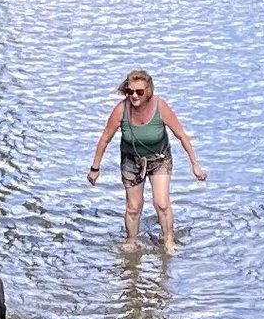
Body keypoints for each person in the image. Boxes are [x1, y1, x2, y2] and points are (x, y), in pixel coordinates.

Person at [87, 69, 206, 252]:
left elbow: (181, 135)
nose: (134, 96)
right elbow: (105, 139)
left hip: (159, 159)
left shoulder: (160, 106)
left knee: (161, 202)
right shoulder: (121, 110)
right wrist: (95, 168)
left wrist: (195, 165)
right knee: (133, 207)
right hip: (131, 160)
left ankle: (168, 240)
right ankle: (131, 242)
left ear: (148, 91)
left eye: (139, 92)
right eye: (130, 91)